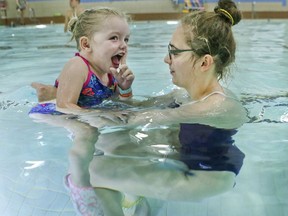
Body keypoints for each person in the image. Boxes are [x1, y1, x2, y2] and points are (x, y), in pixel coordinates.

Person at [77, 0, 248, 214]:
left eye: (174, 52)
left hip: (206, 177)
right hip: (183, 159)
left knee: (92, 170)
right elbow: (135, 109)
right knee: (107, 140)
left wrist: (68, 113)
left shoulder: (213, 105)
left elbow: (137, 118)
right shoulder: (183, 95)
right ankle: (141, 202)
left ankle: (137, 199)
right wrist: (121, 89)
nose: (166, 59)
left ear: (204, 63)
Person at [29, 7, 134, 215]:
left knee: (124, 129)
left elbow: (121, 106)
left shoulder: (111, 73)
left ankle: (119, 177)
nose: (123, 45)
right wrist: (97, 116)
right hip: (52, 110)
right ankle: (79, 185)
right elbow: (64, 105)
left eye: (126, 39)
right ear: (86, 44)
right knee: (87, 132)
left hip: (85, 111)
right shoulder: (78, 65)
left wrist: (125, 88)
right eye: (114, 38)